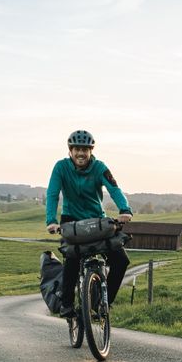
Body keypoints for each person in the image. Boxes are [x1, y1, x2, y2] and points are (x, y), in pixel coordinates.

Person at [46, 130, 133, 318]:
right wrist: (51, 220)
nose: (81, 153)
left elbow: (114, 189)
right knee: (72, 260)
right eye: (77, 149)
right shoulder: (61, 167)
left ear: (90, 151)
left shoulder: (99, 167)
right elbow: (52, 194)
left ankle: (103, 303)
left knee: (121, 261)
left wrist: (125, 209)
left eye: (85, 150)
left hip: (97, 221)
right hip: (71, 221)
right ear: (70, 151)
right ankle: (67, 305)